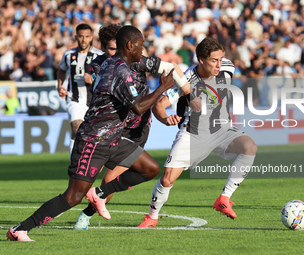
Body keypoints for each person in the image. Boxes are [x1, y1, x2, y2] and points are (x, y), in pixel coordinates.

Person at [6, 25, 176, 242]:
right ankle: (20, 229)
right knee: (73, 197)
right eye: (141, 46)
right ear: (130, 45)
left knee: (150, 169)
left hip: (113, 138)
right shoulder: (119, 70)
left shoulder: (115, 64)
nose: (142, 51)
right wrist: (163, 87)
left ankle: (99, 193)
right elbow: (138, 107)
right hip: (94, 140)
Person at [73, 23, 201, 230]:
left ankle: (86, 215)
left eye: (119, 48)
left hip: (135, 128)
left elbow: (172, 70)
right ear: (104, 48)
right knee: (86, 181)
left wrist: (190, 96)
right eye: (111, 49)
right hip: (110, 126)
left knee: (109, 178)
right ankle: (74, 203)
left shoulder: (139, 61)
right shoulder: (99, 65)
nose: (117, 53)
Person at [137, 37, 257, 228]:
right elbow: (159, 106)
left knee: (249, 147)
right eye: (214, 60)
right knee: (167, 178)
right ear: (201, 60)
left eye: (221, 59)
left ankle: (224, 198)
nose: (219, 65)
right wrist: (166, 119)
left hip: (222, 129)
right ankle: (152, 216)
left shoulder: (227, 67)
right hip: (193, 134)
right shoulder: (186, 80)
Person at [57, 23, 103, 156]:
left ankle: (89, 161)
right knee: (77, 129)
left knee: (92, 135)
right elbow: (61, 71)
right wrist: (60, 87)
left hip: (93, 101)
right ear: (76, 36)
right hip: (74, 99)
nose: (84, 40)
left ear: (91, 37)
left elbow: (106, 77)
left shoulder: (98, 56)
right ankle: (74, 164)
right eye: (81, 36)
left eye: (87, 37)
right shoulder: (69, 54)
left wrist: (93, 80)